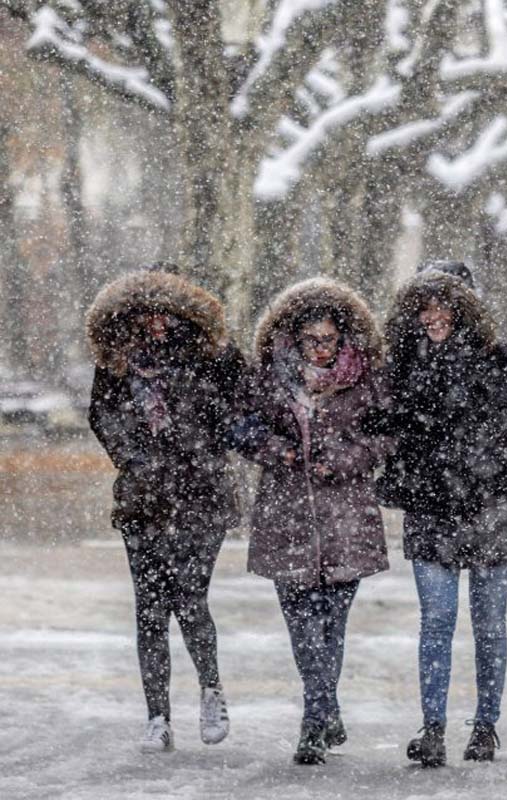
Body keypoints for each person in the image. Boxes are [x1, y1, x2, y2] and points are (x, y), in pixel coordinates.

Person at [375, 268, 507, 768]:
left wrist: (474, 439)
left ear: (464, 308)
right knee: (437, 621)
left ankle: (486, 726)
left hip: (492, 505)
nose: (433, 317)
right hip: (431, 507)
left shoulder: (494, 357)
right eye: (423, 307)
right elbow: (384, 425)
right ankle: (432, 729)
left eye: (442, 305)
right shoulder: (401, 361)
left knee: (489, 624)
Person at [85, 266, 243, 752]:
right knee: (149, 610)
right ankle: (158, 716)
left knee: (190, 598)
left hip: (202, 498)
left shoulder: (214, 357)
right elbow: (102, 414)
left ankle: (211, 689)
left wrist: (199, 448)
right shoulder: (117, 361)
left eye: (167, 310)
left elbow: (238, 411)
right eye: (147, 311)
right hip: (143, 501)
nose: (156, 321)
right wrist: (134, 457)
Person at [238, 278, 389, 765]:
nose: (319, 349)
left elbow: (389, 436)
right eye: (310, 340)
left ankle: (319, 711)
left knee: (332, 626)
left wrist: (347, 458)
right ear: (293, 338)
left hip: (346, 518)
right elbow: (242, 428)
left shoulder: (366, 378)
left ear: (343, 338)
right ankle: (319, 712)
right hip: (286, 518)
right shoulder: (269, 378)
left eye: (327, 339)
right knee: (302, 626)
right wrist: (278, 450)